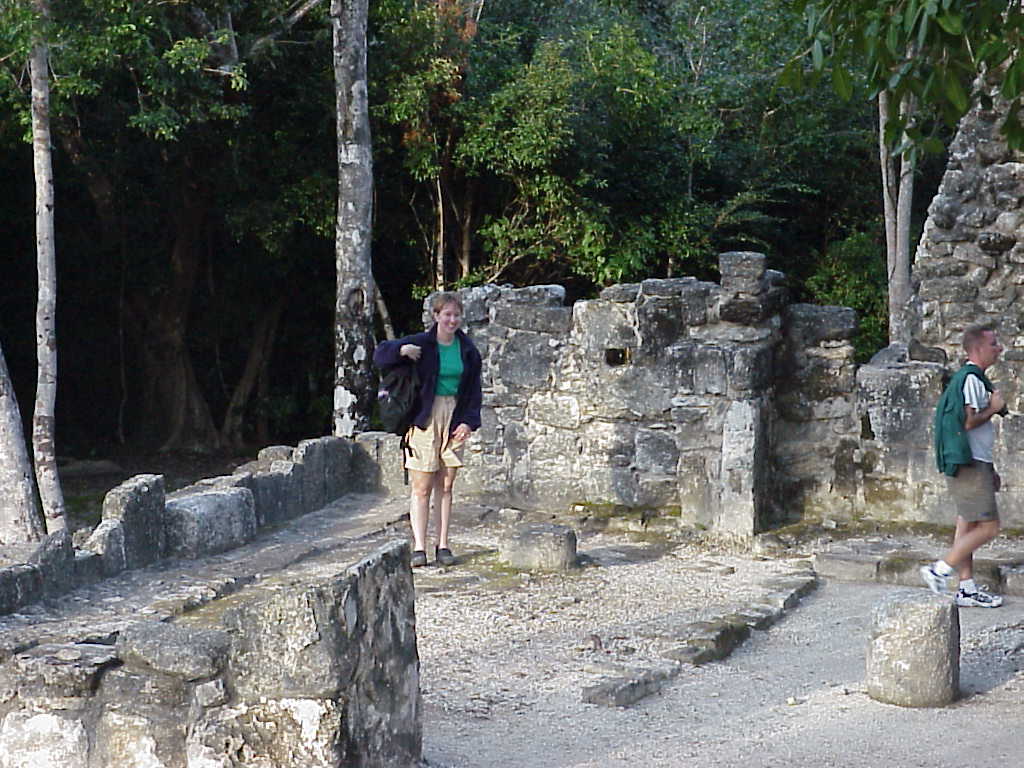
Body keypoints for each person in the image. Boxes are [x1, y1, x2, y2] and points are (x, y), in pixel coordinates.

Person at [373, 292, 482, 568]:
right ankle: (419, 547)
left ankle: (443, 545)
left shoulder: (468, 350)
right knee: (422, 486)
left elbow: (474, 391)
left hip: (454, 416)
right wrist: (402, 351)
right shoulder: (422, 342)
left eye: (456, 315)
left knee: (446, 485)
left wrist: (468, 422)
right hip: (425, 418)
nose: (452, 320)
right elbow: (380, 354)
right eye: (447, 315)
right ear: (436, 316)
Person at [922, 323, 1007, 607]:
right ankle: (939, 569)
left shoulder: (973, 378)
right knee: (989, 527)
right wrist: (994, 408)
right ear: (978, 349)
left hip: (975, 463)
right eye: (994, 344)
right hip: (970, 465)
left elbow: (974, 432)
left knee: (967, 524)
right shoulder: (971, 379)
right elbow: (969, 422)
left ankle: (966, 588)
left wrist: (990, 468)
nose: (999, 348)